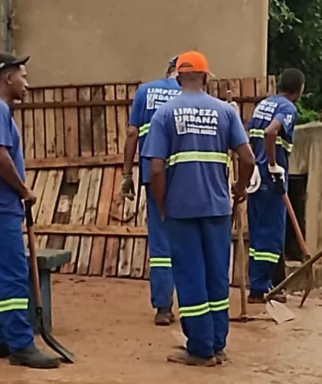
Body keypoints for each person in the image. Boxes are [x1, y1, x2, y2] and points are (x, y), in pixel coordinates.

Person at [142, 51, 255, 367]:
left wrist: (162, 205)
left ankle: (201, 348)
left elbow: (155, 170)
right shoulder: (225, 112)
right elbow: (247, 158)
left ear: (178, 78)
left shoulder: (164, 115)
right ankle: (217, 344)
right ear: (206, 78)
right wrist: (240, 189)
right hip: (217, 208)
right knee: (217, 276)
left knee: (191, 277)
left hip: (182, 209)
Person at [0, 53, 60, 369]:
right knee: (13, 275)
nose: (27, 84)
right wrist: (24, 190)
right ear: (7, 78)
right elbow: (0, 157)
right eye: (24, 76)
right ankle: (21, 344)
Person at [121, 56, 182, 326]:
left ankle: (163, 307)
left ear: (167, 70)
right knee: (186, 239)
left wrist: (126, 174)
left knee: (160, 242)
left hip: (151, 172)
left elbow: (133, 133)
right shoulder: (189, 94)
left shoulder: (144, 91)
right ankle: (194, 307)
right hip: (184, 175)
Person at [245, 68, 306, 304]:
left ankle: (257, 285)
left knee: (258, 232)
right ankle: (261, 288)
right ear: (299, 90)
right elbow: (271, 133)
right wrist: (272, 165)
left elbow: (252, 136)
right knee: (271, 234)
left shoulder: (263, 104)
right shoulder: (287, 108)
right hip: (272, 177)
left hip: (256, 177)